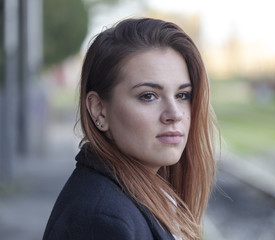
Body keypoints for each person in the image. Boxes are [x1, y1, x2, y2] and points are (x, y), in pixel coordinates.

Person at [43, 17, 218, 240]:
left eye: (182, 95)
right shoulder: (101, 221)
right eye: (148, 96)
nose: (175, 114)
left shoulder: (145, 196)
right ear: (99, 110)